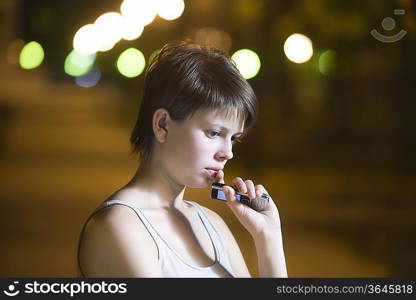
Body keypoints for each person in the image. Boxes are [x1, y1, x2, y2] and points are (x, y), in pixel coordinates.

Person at [77, 41, 288, 278]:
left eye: (234, 138)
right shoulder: (119, 225)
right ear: (162, 125)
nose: (227, 152)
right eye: (214, 133)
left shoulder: (212, 224)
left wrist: (268, 236)